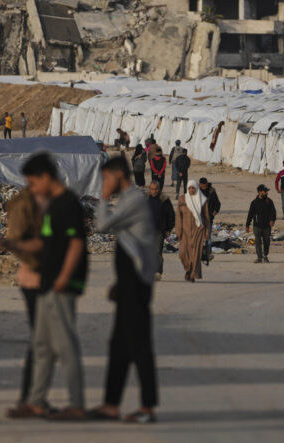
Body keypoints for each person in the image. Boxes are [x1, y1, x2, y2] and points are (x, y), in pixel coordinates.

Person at [6, 153, 88, 420]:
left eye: (33, 182)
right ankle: (36, 402)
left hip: (61, 284)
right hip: (45, 283)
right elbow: (44, 243)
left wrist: (64, 277)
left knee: (65, 346)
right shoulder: (51, 206)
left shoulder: (68, 204)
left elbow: (76, 244)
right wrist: (16, 245)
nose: (31, 188)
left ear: (45, 177)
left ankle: (77, 405)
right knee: (41, 345)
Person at [90, 157, 160, 423]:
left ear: (118, 175)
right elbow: (131, 245)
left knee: (139, 346)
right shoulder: (130, 201)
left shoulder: (133, 200)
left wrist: (103, 198)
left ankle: (147, 408)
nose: (104, 183)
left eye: (106, 178)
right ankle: (110, 404)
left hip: (136, 287)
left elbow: (102, 225)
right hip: (129, 284)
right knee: (119, 347)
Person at [2, 188, 44, 411]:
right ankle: (31, 399)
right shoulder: (29, 209)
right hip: (36, 281)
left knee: (41, 342)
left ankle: (32, 398)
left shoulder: (27, 207)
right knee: (43, 342)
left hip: (33, 280)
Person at [176, 180, 208, 282]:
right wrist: (178, 230)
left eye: (193, 188)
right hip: (185, 231)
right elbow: (178, 216)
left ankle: (193, 275)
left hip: (198, 229)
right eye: (189, 188)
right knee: (182, 253)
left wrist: (207, 232)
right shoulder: (182, 199)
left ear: (196, 188)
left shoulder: (202, 200)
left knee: (196, 254)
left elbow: (206, 217)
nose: (191, 190)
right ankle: (188, 269)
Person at [147, 181, 176, 279]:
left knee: (157, 252)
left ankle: (158, 272)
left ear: (159, 189)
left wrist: (169, 228)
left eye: (156, 189)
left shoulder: (164, 200)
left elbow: (171, 215)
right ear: (149, 189)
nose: (154, 191)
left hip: (159, 230)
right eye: (152, 189)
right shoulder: (144, 200)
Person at [246, 184, 277, 263]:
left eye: (266, 191)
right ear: (260, 192)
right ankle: (259, 257)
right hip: (257, 226)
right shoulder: (254, 202)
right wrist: (247, 225)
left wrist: (272, 220)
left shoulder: (269, 201)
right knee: (257, 242)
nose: (266, 193)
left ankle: (265, 255)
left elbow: (273, 212)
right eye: (265, 191)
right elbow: (250, 214)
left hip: (267, 226)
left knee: (266, 241)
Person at [198, 178, 221, 264]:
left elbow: (217, 203)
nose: (204, 187)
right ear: (200, 184)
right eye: (202, 186)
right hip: (198, 219)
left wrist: (215, 211)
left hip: (208, 218)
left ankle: (208, 254)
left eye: (205, 186)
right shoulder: (196, 191)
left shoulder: (211, 191)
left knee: (208, 237)